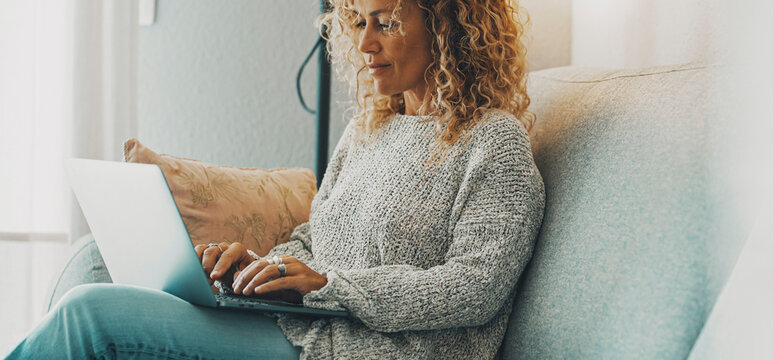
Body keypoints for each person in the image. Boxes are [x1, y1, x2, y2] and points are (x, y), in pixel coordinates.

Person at [5, 0, 544, 358]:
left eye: (387, 21)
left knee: (89, 316)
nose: (365, 45)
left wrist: (331, 285)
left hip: (359, 350)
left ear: (446, 25)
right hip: (302, 326)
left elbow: (476, 288)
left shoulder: (493, 143)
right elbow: (317, 237)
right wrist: (262, 264)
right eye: (358, 20)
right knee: (94, 290)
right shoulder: (368, 130)